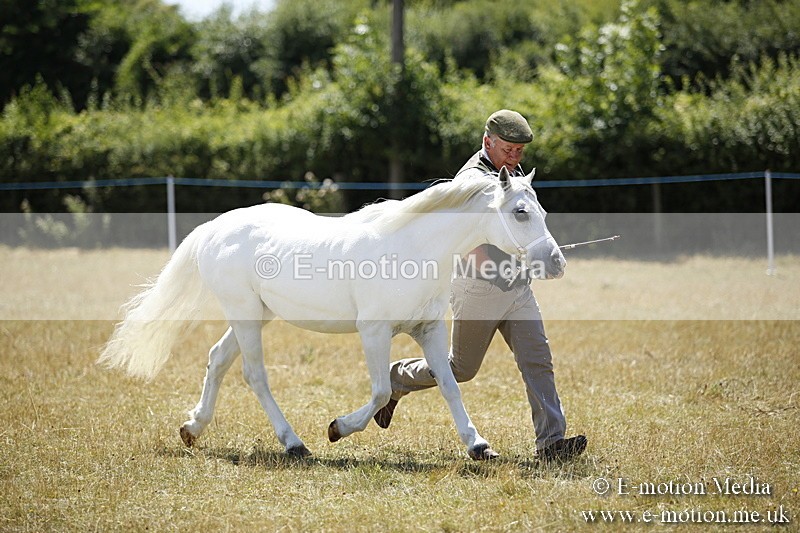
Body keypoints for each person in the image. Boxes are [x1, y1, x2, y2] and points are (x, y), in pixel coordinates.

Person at [374, 109, 587, 462]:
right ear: (487, 142)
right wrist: (510, 268)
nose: (515, 156)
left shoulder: (513, 173)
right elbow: (464, 247)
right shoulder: (470, 182)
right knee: (461, 368)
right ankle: (397, 378)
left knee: (538, 360)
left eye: (520, 151)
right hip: (479, 289)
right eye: (508, 149)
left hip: (517, 289)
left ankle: (551, 444)